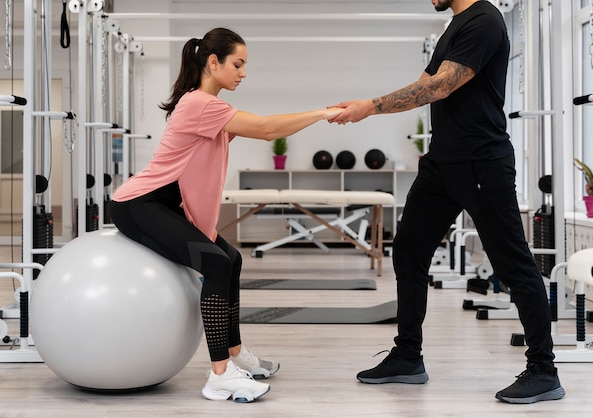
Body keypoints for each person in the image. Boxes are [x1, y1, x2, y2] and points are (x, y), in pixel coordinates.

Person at [329, 0, 565, 404]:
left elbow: (440, 86)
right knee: (408, 251)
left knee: (513, 264)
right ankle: (407, 356)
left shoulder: (485, 21)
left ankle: (544, 370)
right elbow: (425, 86)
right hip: (442, 163)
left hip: (481, 162)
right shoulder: (454, 26)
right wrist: (366, 105)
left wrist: (371, 106)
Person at [110, 27, 341, 403]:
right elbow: (267, 130)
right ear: (212, 62)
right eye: (238, 64)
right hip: (139, 205)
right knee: (216, 265)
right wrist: (322, 112)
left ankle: (234, 354)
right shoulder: (200, 103)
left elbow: (256, 129)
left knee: (230, 258)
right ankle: (220, 375)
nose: (243, 73)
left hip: (165, 205)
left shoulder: (207, 105)